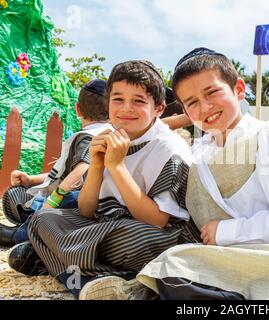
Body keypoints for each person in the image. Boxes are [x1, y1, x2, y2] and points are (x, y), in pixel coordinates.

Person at [92, 47, 269, 300]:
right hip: (234, 256)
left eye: (212, 93)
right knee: (173, 260)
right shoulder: (199, 157)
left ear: (239, 89)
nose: (204, 107)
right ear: (184, 109)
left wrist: (229, 231)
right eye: (191, 103)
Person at [7, 60, 200, 300]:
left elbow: (156, 221)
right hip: (106, 225)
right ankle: (95, 278)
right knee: (42, 219)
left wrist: (117, 167)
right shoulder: (104, 138)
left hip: (152, 234)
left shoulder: (169, 148)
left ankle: (61, 264)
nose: (126, 108)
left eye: (138, 101)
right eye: (118, 99)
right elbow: (87, 210)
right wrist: (97, 166)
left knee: (131, 237)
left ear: (159, 109)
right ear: (108, 103)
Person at [0, 79, 111, 247]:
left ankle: (21, 236)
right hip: (101, 199)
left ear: (77, 109)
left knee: (67, 199)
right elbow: (64, 174)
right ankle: (30, 220)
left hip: (85, 200)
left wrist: (52, 201)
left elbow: (79, 172)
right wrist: (31, 179)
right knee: (21, 195)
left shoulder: (92, 137)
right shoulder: (106, 133)